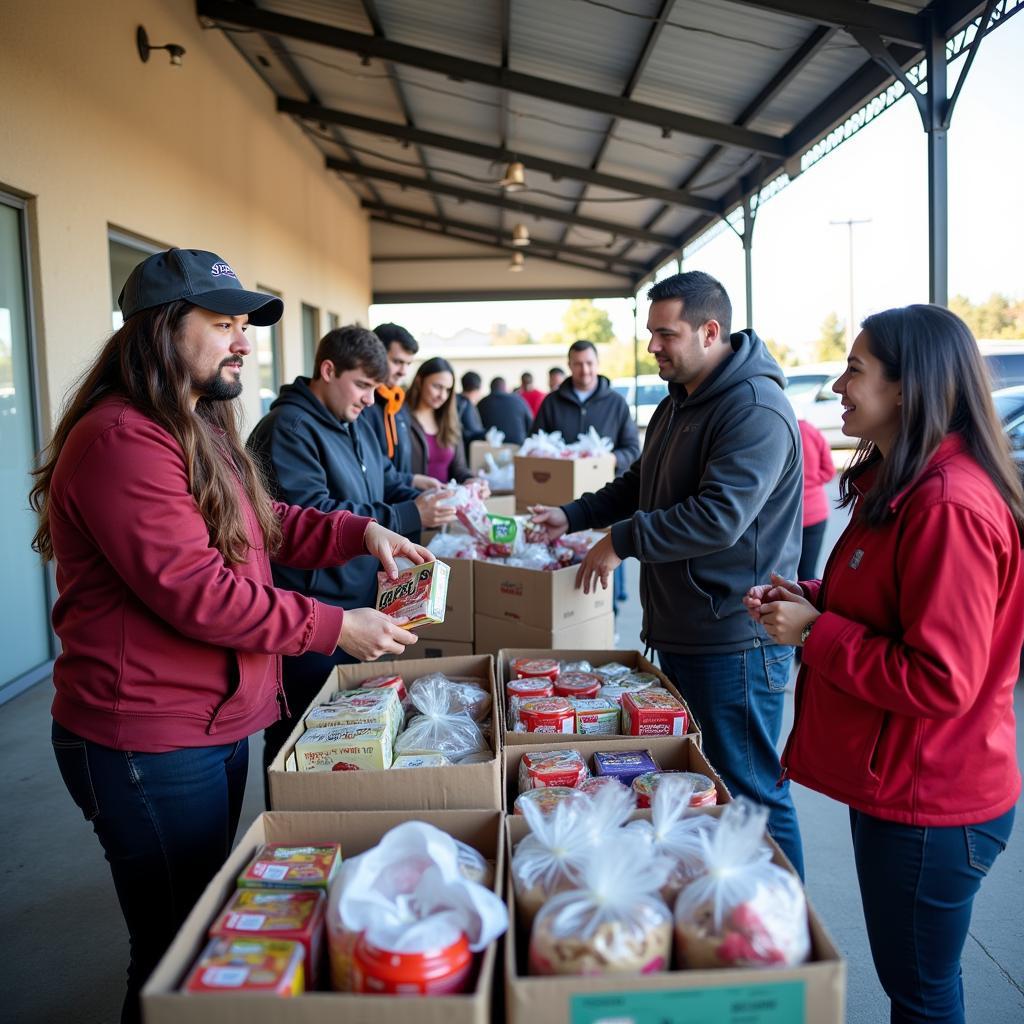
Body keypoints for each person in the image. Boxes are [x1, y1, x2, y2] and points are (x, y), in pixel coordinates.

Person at [31, 249, 425, 1024]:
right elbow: (197, 593)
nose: (242, 342)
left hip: (209, 720)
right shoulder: (123, 439)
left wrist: (362, 531)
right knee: (175, 945)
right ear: (157, 333)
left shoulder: (197, 424)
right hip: (145, 735)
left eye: (242, 326)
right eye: (222, 324)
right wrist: (333, 626)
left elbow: (264, 529)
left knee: (207, 928)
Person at [747, 305, 1023, 1024]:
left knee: (922, 992)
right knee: (919, 980)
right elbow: (889, 604)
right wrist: (808, 598)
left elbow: (942, 678)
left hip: (934, 799)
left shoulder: (947, 506)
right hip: (906, 786)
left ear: (907, 388)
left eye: (856, 369)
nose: (838, 385)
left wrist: (815, 634)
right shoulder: (901, 486)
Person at [530, 271, 805, 876]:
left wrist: (620, 541)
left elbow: (719, 517)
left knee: (751, 790)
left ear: (710, 332)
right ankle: (728, 903)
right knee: (704, 782)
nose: (653, 345)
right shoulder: (680, 402)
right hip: (684, 628)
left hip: (734, 636)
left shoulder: (754, 409)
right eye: (651, 332)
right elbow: (641, 485)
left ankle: (786, 921)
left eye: (665, 334)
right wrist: (572, 514)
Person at [247, 325, 456, 779]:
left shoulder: (354, 419)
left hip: (359, 603)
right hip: (311, 616)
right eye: (362, 385)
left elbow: (379, 476)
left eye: (375, 388)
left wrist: (418, 490)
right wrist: (406, 514)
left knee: (349, 738)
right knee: (298, 741)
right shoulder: (288, 428)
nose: (369, 399)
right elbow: (309, 515)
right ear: (327, 369)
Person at [532, 340, 641, 608]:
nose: (585, 370)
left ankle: (609, 615)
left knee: (608, 562)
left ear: (597, 364)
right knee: (564, 565)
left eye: (589, 363)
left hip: (607, 498)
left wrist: (608, 459)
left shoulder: (616, 403)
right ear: (570, 366)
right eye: (578, 364)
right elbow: (534, 443)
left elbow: (632, 448)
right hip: (561, 500)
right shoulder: (552, 402)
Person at [406, 356, 475, 483]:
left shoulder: (450, 422)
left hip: (447, 500)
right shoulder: (401, 420)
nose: (442, 396)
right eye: (437, 386)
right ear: (419, 381)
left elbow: (459, 469)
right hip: (412, 500)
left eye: (448, 390)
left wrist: (472, 480)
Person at [364, 322, 417, 474]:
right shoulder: (361, 404)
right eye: (397, 362)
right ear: (375, 356)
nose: (403, 371)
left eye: (408, 363)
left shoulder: (399, 402)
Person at [797, 417, 834, 580]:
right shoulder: (809, 430)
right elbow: (829, 471)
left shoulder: (772, 429)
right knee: (807, 575)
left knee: (778, 577)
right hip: (815, 514)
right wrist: (811, 480)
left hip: (783, 517)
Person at [477, 375, 532, 445]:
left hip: (490, 448)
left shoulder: (482, 403)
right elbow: (530, 424)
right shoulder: (519, 400)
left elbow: (476, 429)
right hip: (517, 446)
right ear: (505, 388)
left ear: (491, 389)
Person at [456, 369, 486, 458]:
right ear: (478, 388)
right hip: (465, 454)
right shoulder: (467, 405)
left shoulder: (455, 400)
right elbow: (473, 433)